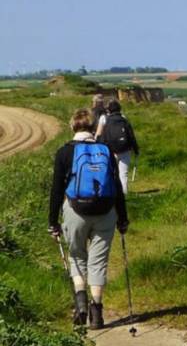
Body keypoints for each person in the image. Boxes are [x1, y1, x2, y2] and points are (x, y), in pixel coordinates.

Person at [48, 108, 128, 329]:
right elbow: (117, 188)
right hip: (106, 212)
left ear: (72, 126)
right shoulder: (106, 150)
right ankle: (97, 313)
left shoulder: (64, 152)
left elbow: (56, 190)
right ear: (93, 128)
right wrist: (123, 218)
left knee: (77, 256)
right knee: (98, 262)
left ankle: (81, 302)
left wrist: (52, 222)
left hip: (75, 211)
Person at [97, 99, 139, 194]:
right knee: (123, 173)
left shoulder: (105, 119)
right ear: (119, 109)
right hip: (125, 150)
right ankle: (124, 193)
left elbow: (101, 135)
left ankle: (110, 193)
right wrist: (136, 149)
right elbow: (131, 135)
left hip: (110, 151)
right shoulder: (124, 119)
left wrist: (99, 148)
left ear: (108, 110)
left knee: (111, 173)